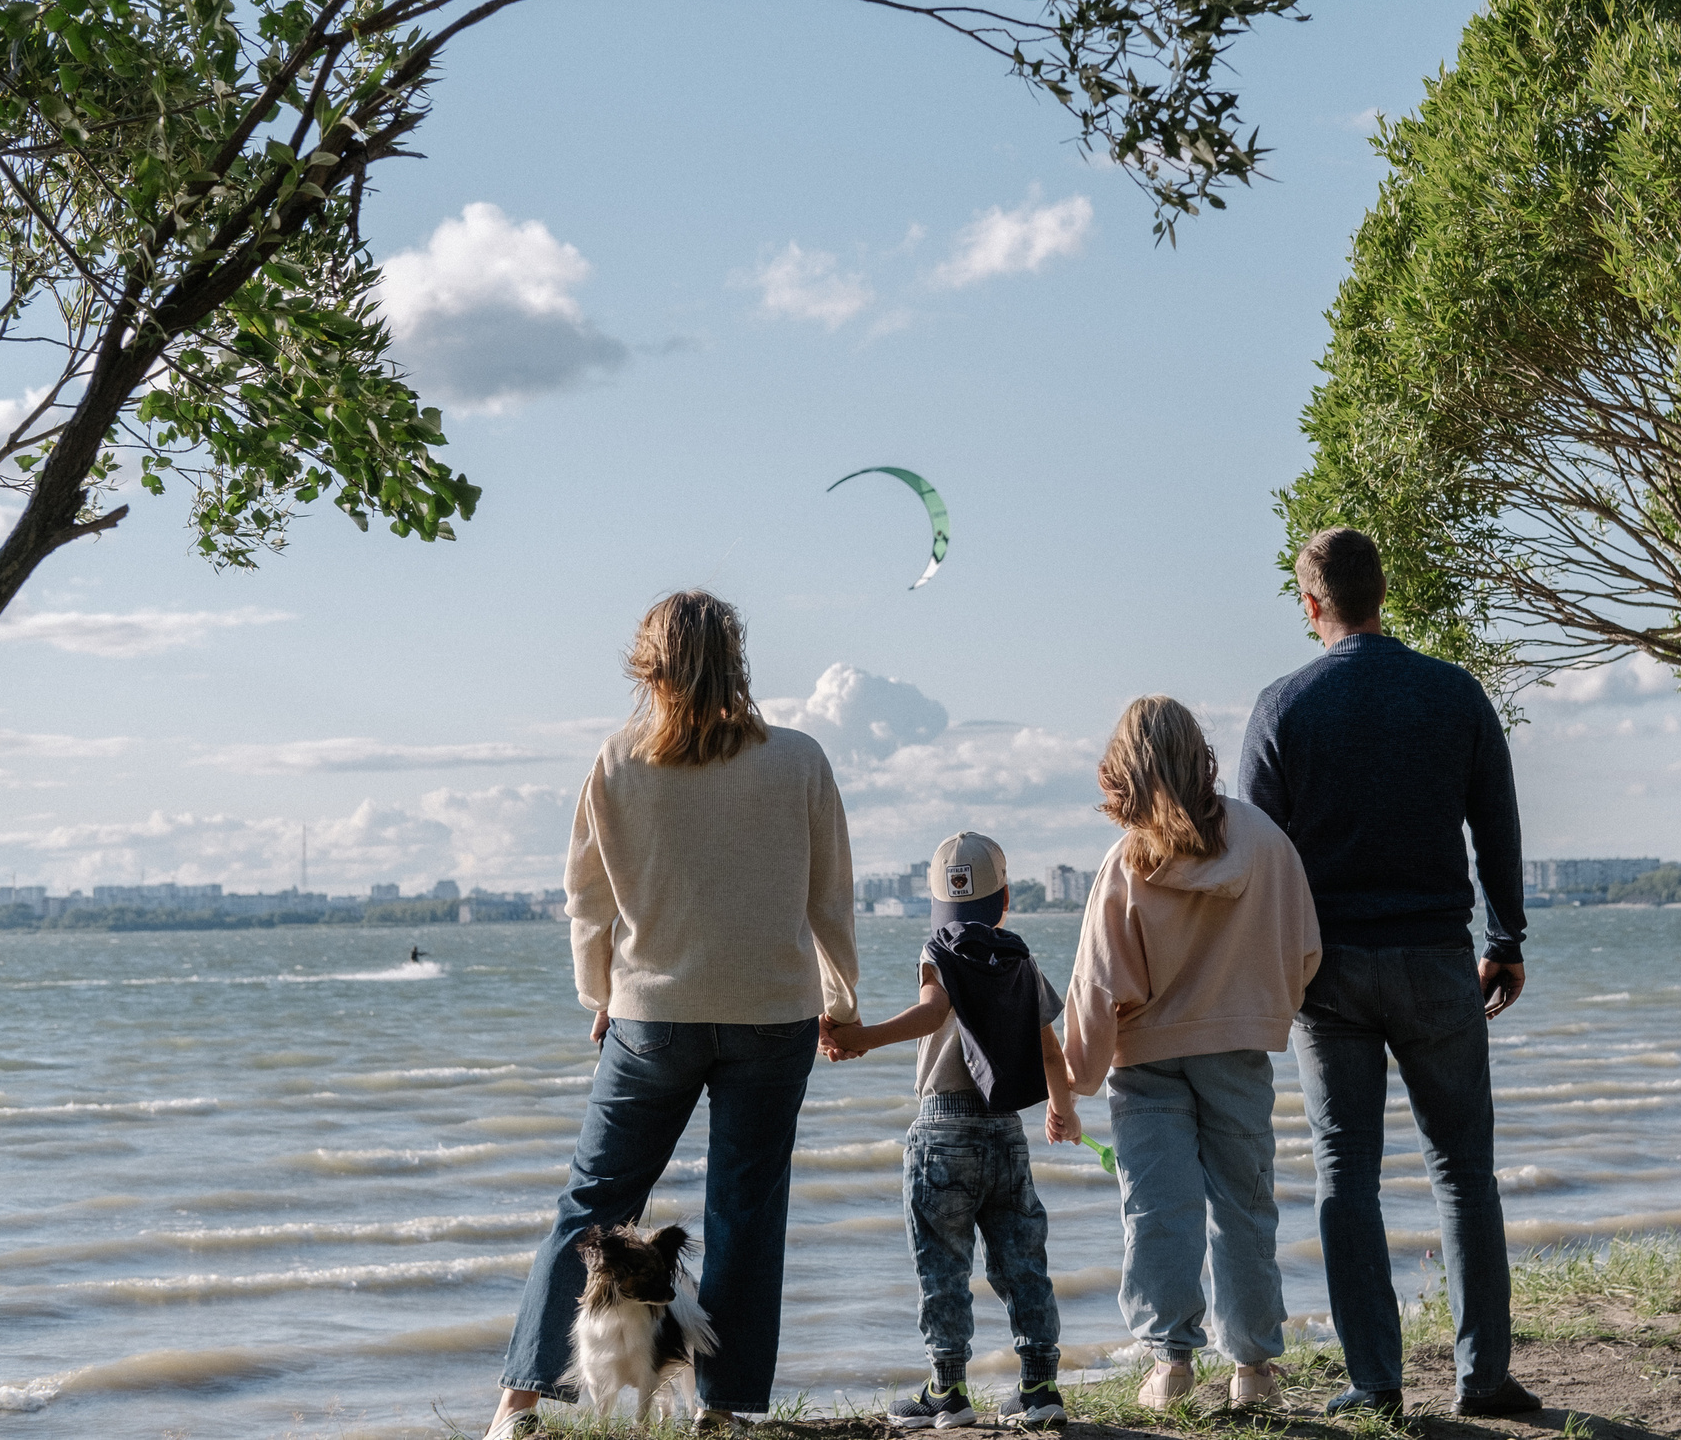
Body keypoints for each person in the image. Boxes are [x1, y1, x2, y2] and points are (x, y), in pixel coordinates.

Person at [487, 591, 859, 1439]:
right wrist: (840, 999)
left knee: (593, 1204)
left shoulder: (617, 761)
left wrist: (599, 995)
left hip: (652, 1016)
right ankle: (721, 1409)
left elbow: (586, 900)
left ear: (648, 669)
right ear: (737, 662)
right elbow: (830, 895)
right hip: (773, 1014)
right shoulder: (799, 759)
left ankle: (518, 1406)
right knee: (746, 1212)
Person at [1238, 528, 1542, 1420]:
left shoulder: (1282, 705)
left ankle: (1375, 1383)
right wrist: (1507, 936)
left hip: (1327, 974)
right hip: (1438, 960)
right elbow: (1498, 824)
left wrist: (1273, 973)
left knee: (1345, 1175)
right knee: (1464, 1171)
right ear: (1383, 591)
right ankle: (1483, 1376)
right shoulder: (1453, 692)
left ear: (1311, 605)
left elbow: (1259, 855)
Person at [1063, 697, 1322, 1414]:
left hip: (1145, 1060)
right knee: (1246, 1205)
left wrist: (1076, 1077)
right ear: (1199, 754)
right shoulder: (1265, 840)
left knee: (1158, 1209)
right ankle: (1254, 1370)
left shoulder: (1127, 860)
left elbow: (1097, 985)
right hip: (1239, 1048)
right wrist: (1260, 1008)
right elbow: (1305, 949)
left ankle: (1171, 1362)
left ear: (1126, 769)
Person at [820, 832, 1078, 1431]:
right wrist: (1062, 1108)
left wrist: (862, 1038)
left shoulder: (937, 947)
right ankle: (1039, 1387)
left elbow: (933, 1011)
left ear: (938, 903)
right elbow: (1049, 1047)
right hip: (1005, 1132)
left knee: (942, 1267)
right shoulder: (1020, 960)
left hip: (943, 1131)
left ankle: (948, 1391)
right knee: (1022, 1263)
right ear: (1005, 899)